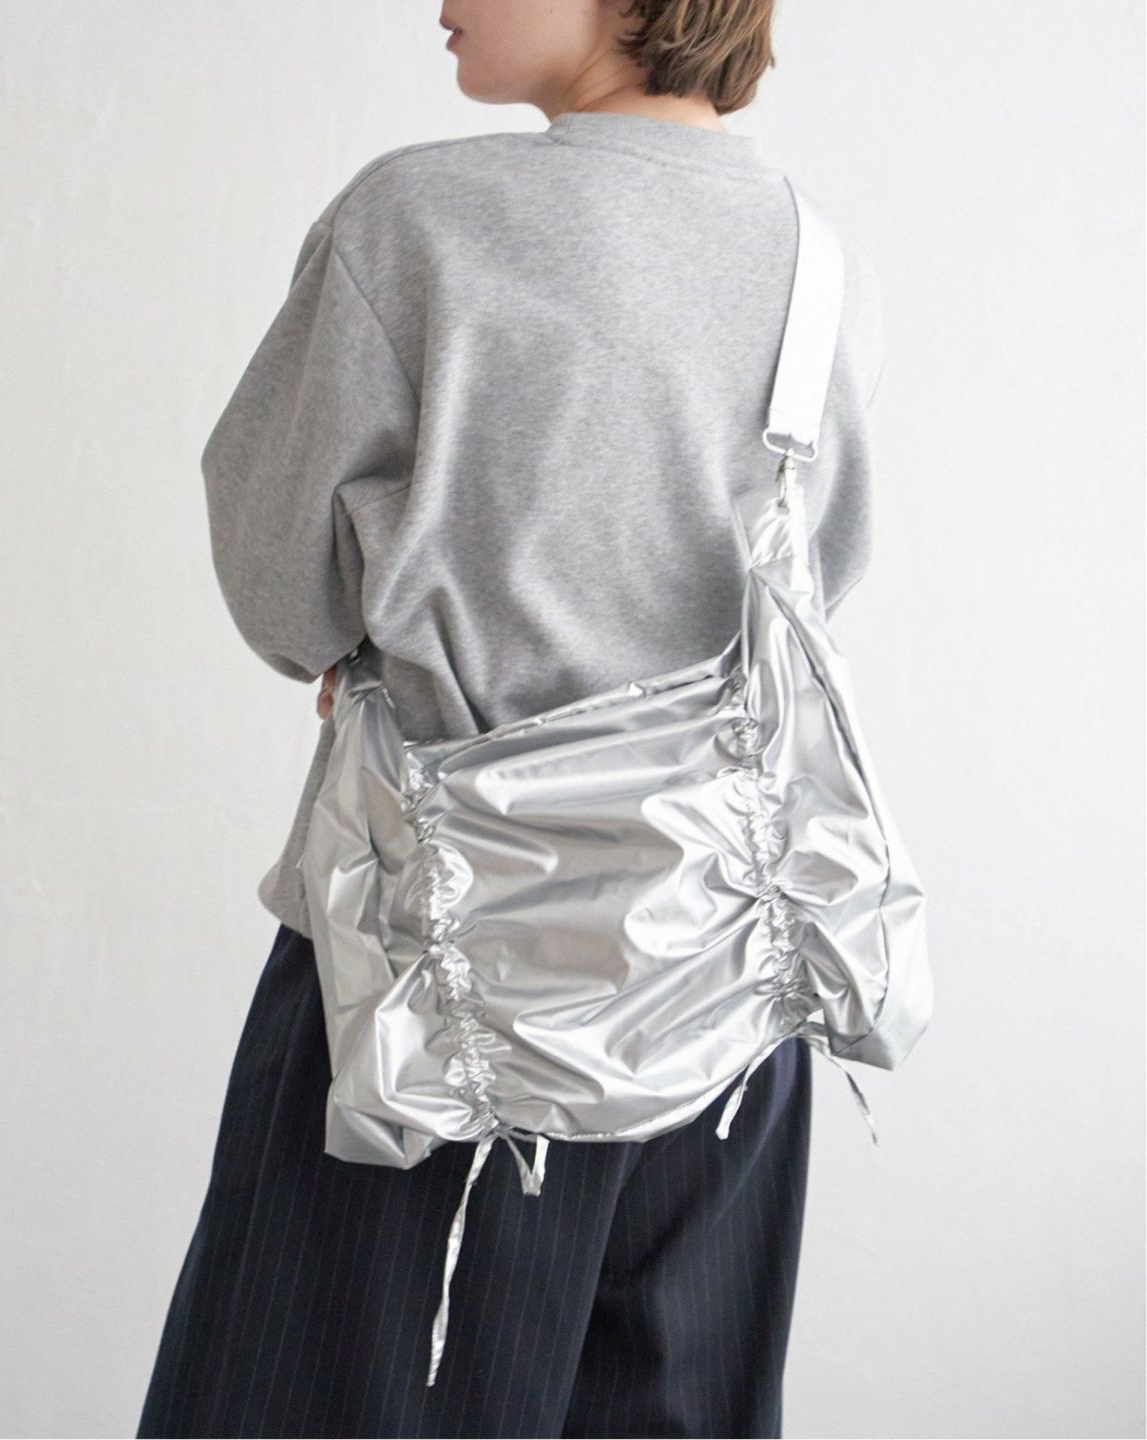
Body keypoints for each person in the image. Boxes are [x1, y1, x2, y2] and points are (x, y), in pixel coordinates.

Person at [136, 1, 885, 1435]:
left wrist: (369, 636)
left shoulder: (417, 219)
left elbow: (281, 586)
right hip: (727, 1015)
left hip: (424, 1004)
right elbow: (811, 593)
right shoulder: (818, 259)